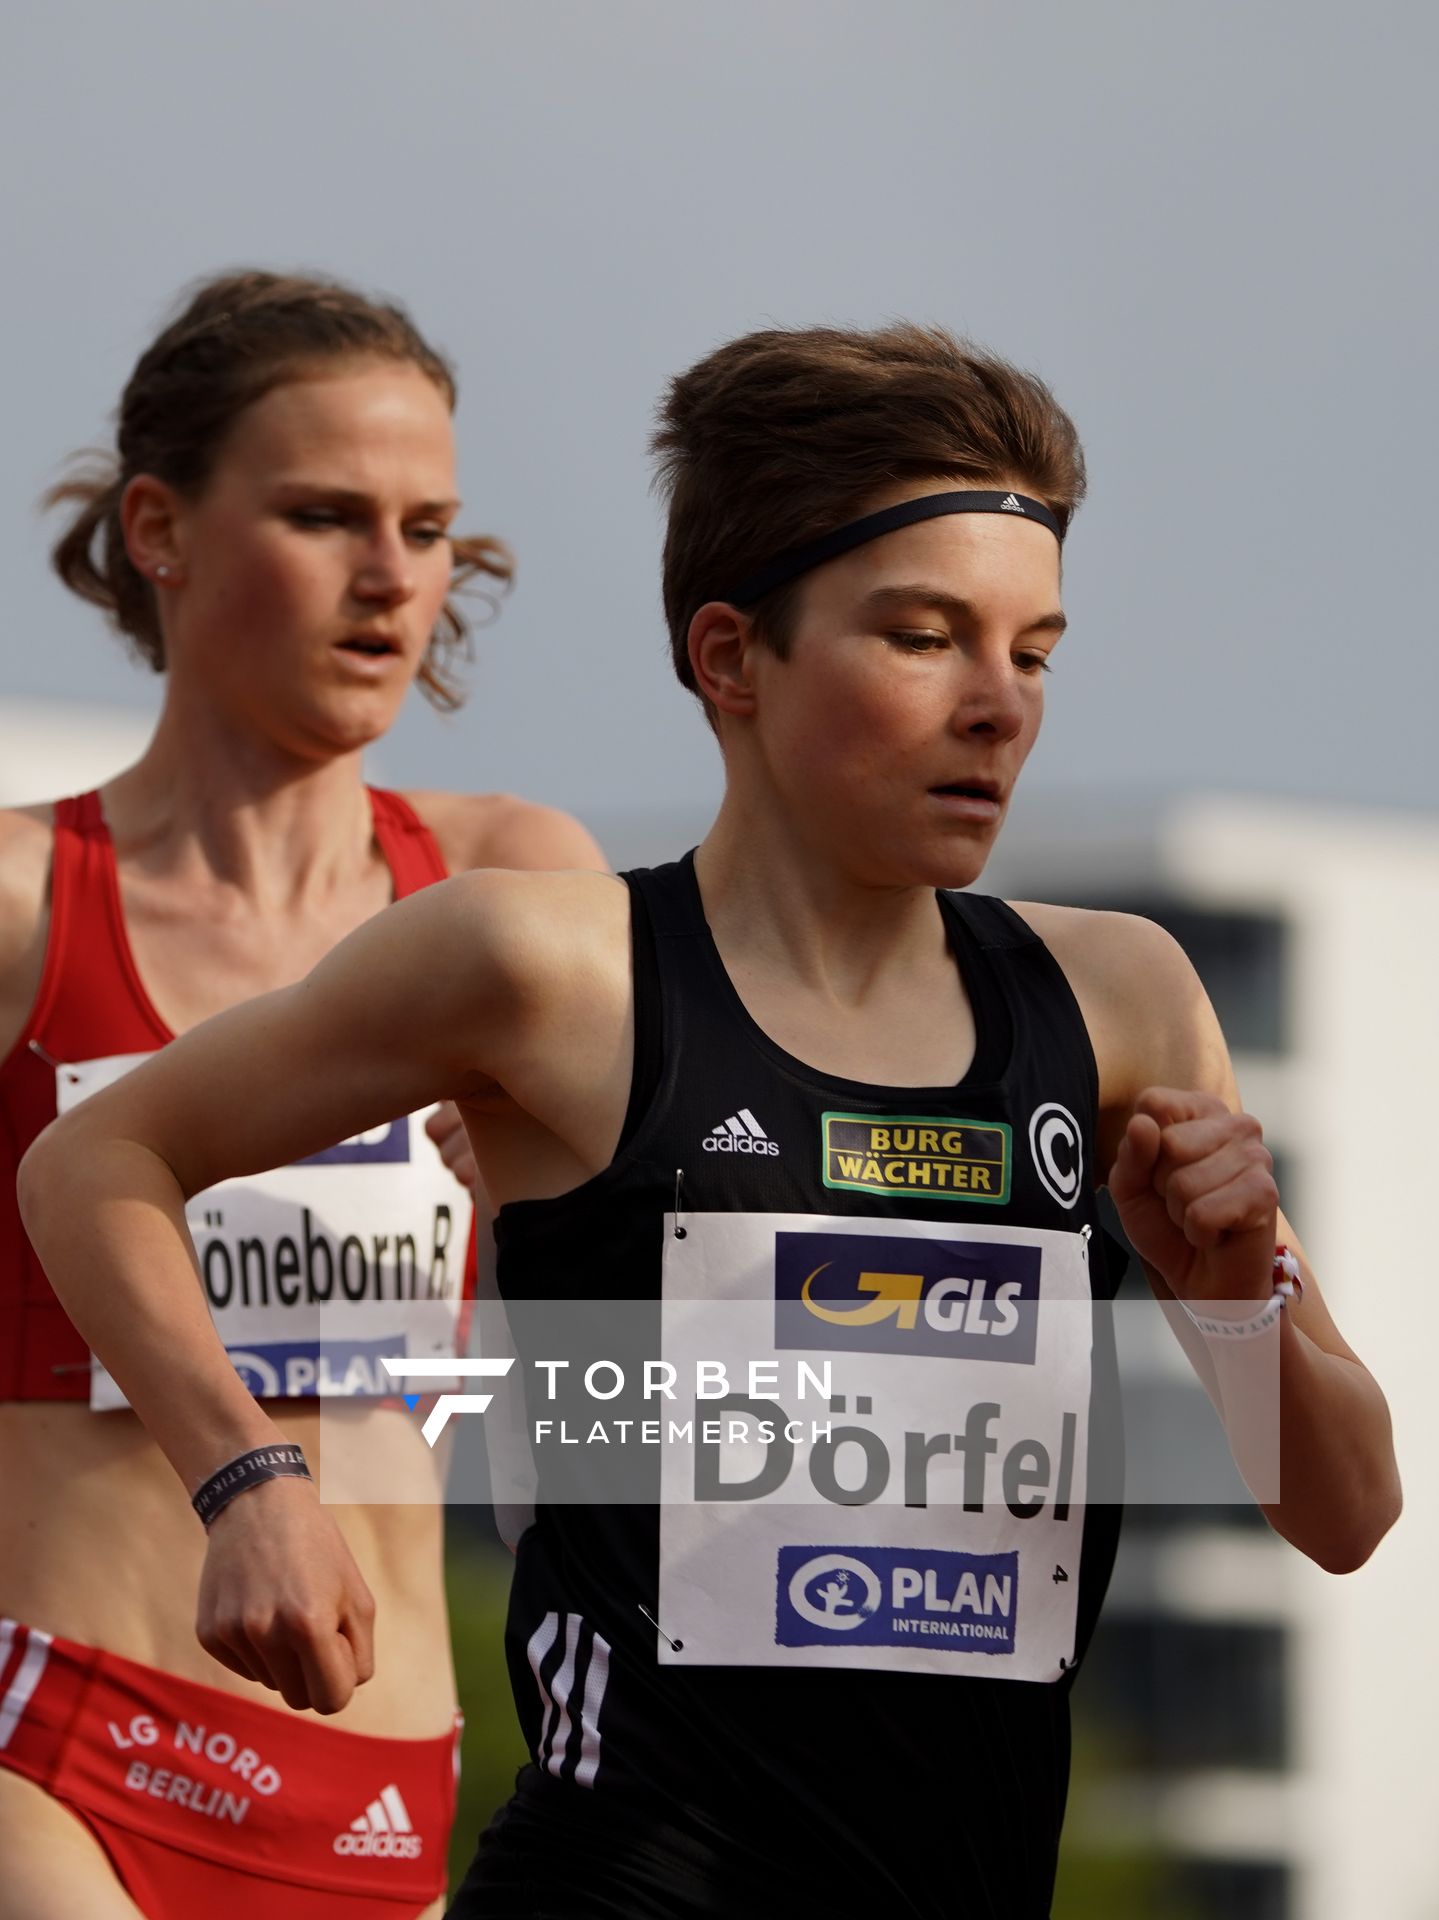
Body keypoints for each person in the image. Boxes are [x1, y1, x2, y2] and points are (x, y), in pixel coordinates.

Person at [19, 323, 1400, 1918]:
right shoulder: (547, 970)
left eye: (1033, 653)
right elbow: (95, 1159)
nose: (996, 707)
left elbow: (1348, 1513)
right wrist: (245, 1481)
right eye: (923, 636)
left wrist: (1235, 1299)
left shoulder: (1121, 998)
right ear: (732, 657)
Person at [0, 269, 604, 1920]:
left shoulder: (502, 888)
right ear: (161, 529)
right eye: (328, 516)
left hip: (380, 1792)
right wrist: (240, 1470)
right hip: (59, 1754)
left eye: (430, 529)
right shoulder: (25, 902)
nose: (392, 577)